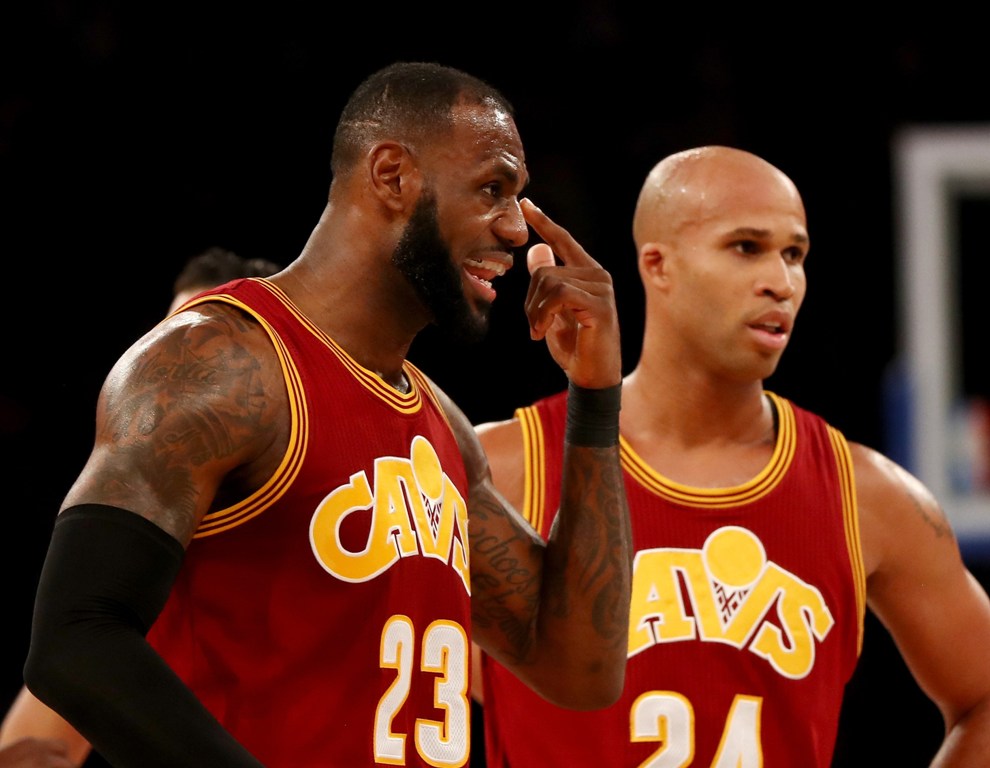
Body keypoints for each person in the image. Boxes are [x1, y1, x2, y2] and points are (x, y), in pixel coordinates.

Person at [21, 61, 632, 768]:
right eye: (493, 189)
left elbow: (576, 669)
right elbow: (74, 639)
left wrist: (595, 395)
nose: (515, 230)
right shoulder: (222, 361)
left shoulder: (441, 427)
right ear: (394, 175)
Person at [472, 145, 990, 766]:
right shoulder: (502, 466)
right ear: (658, 265)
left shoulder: (868, 493)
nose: (781, 280)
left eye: (794, 253)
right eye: (746, 247)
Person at [0, 247, 283, 768]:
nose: (185, 359)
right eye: (180, 333)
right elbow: (30, 744)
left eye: (215, 342)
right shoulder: (146, 547)